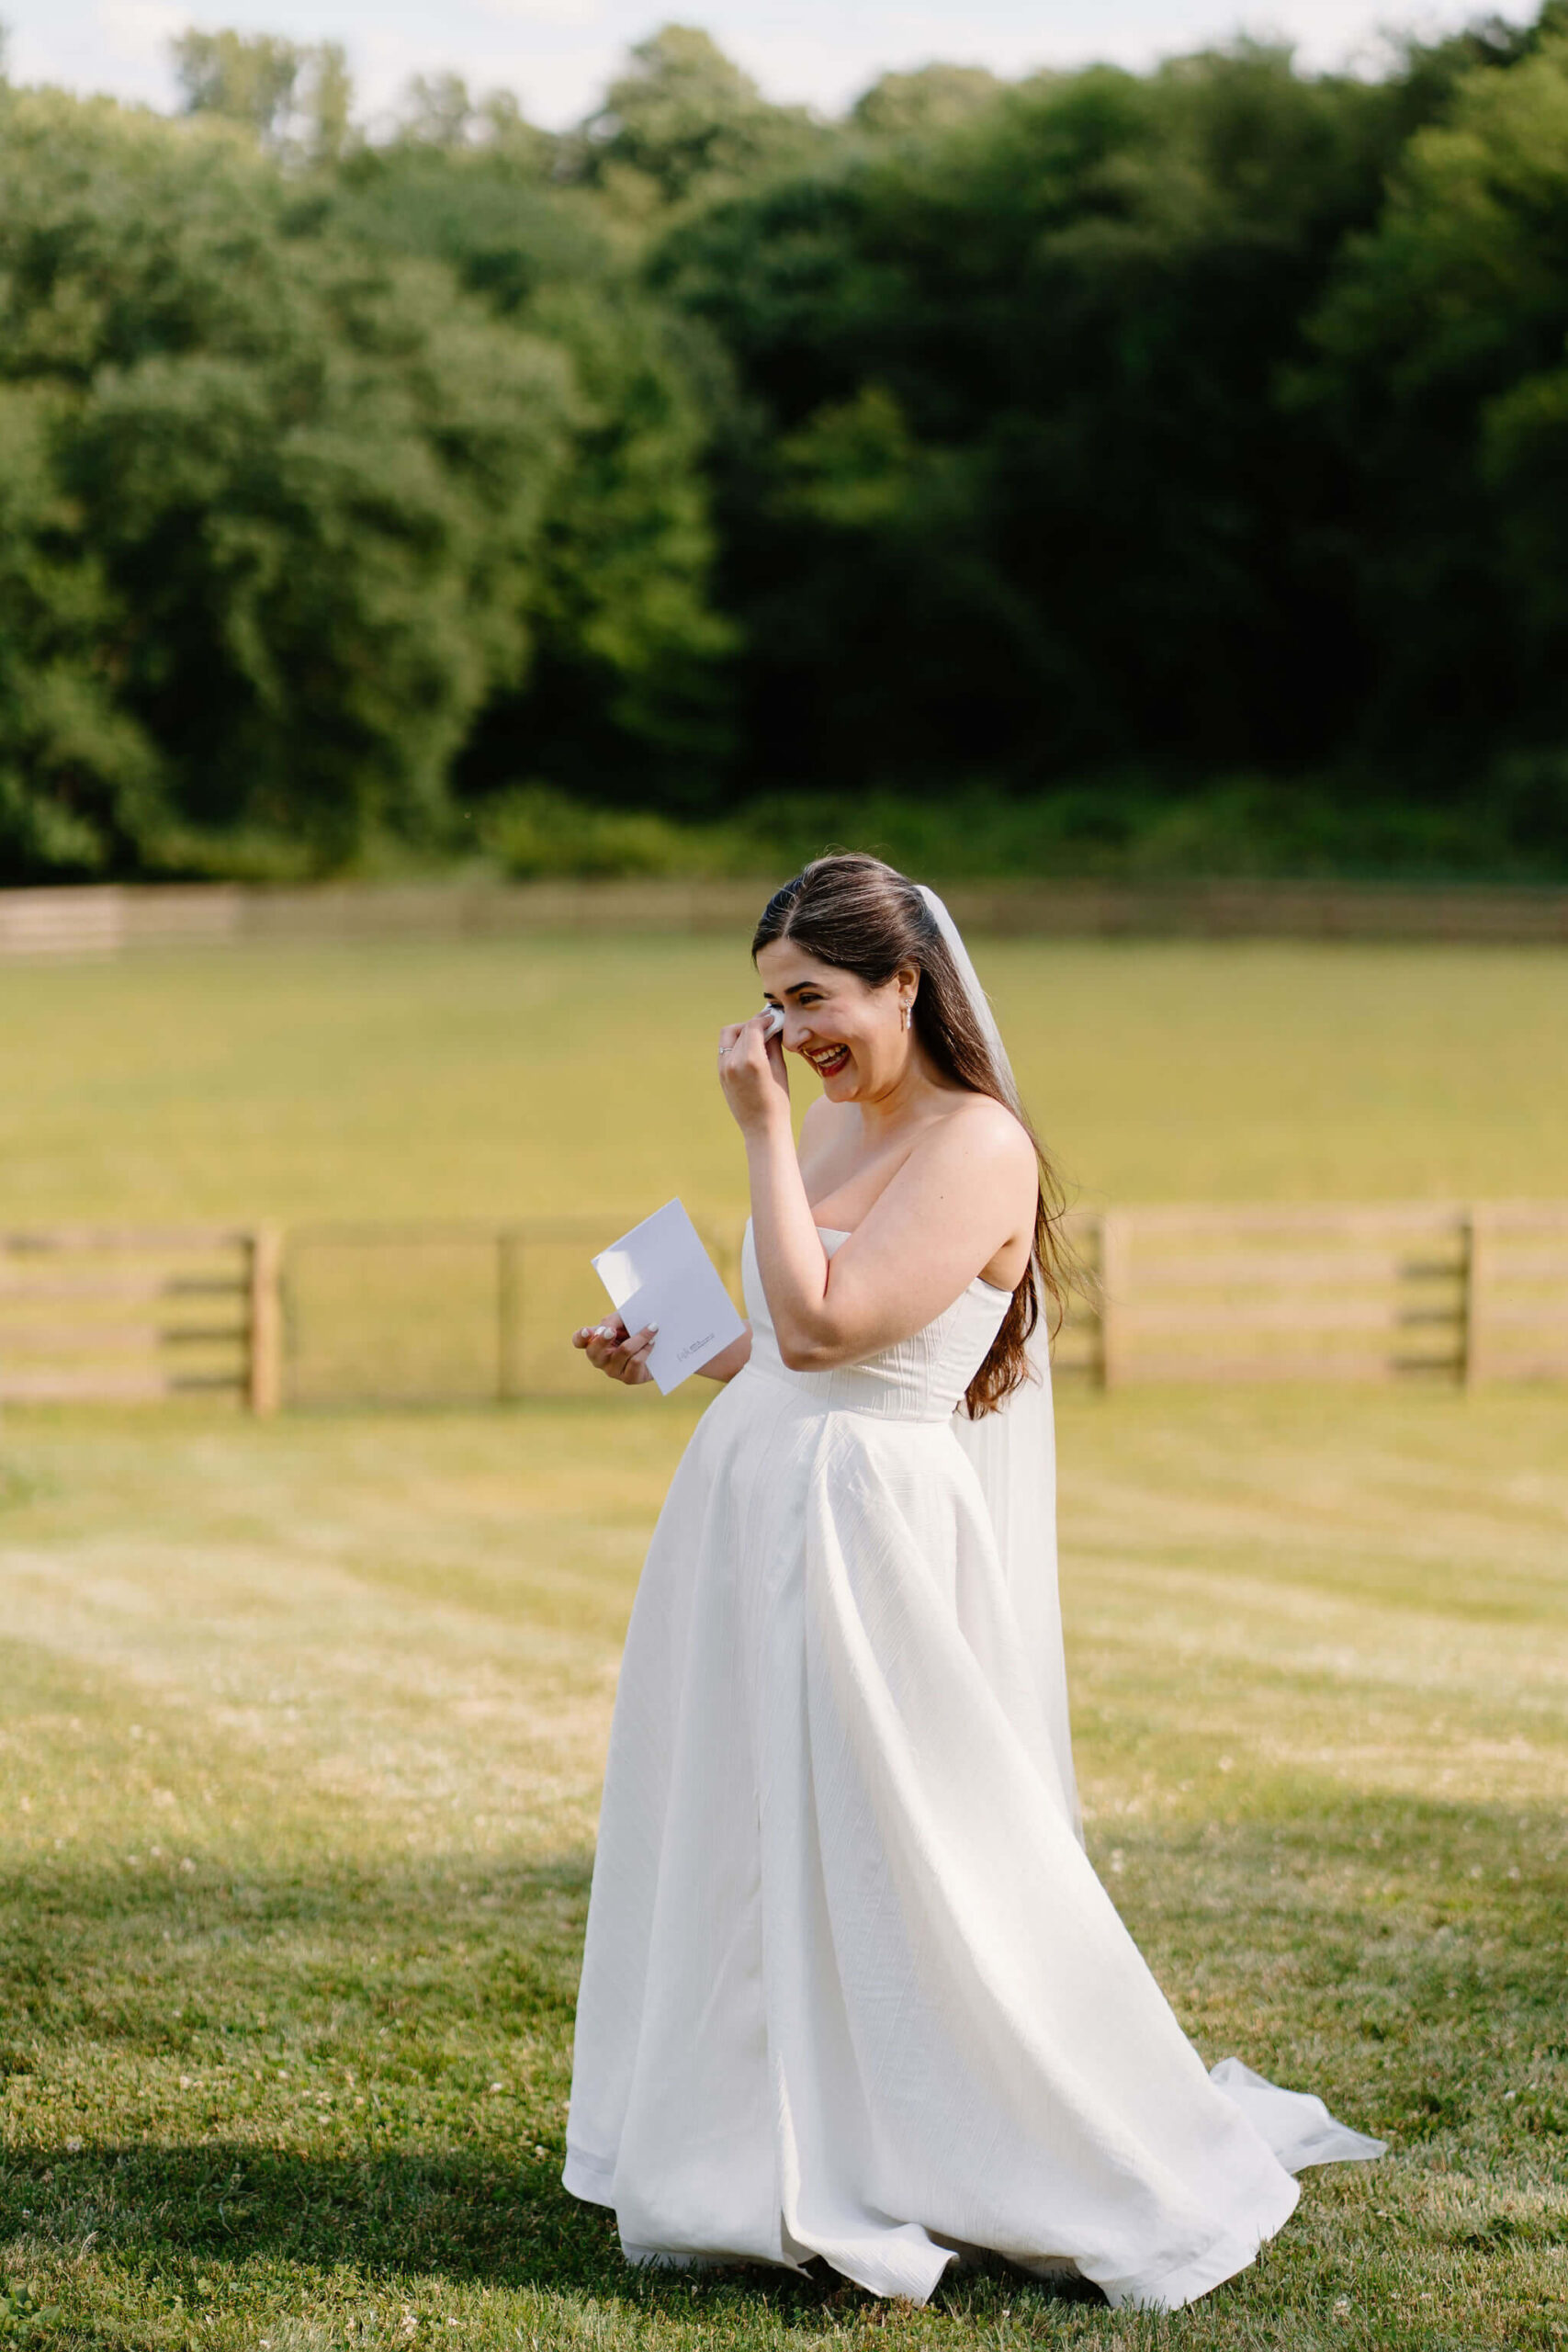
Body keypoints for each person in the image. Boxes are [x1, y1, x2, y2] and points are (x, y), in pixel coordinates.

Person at [564, 854, 1382, 2310]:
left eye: (812, 1000)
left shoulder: (977, 1146)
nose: (790, 1035)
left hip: (871, 1525)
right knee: (757, 1823)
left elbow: (831, 1335)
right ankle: (756, 2146)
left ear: (906, 984)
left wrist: (755, 1130)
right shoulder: (825, 1127)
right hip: (754, 1503)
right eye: (768, 1006)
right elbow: (781, 1354)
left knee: (909, 1845)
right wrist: (671, 1343)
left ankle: (966, 2140)